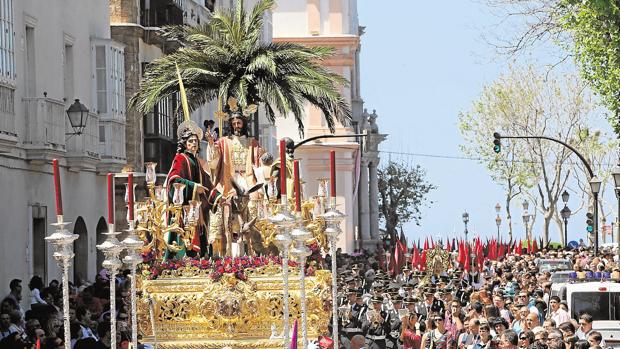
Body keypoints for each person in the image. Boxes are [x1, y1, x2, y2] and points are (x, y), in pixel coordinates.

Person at [206, 97, 262, 257]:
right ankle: (222, 252)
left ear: (244, 123)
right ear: (230, 125)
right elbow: (213, 161)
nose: (237, 126)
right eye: (234, 123)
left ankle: (254, 251)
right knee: (220, 210)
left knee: (254, 209)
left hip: (249, 183)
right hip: (228, 184)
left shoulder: (252, 142)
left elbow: (259, 164)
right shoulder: (224, 142)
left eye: (239, 123)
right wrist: (211, 145)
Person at [165, 119, 222, 258]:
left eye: (196, 141)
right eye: (190, 141)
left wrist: (217, 196)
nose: (194, 144)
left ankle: (199, 260)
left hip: (197, 207)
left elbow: (206, 181)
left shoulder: (195, 160)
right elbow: (174, 179)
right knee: (185, 236)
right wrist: (194, 187)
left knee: (200, 234)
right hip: (184, 206)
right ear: (185, 144)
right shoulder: (180, 158)